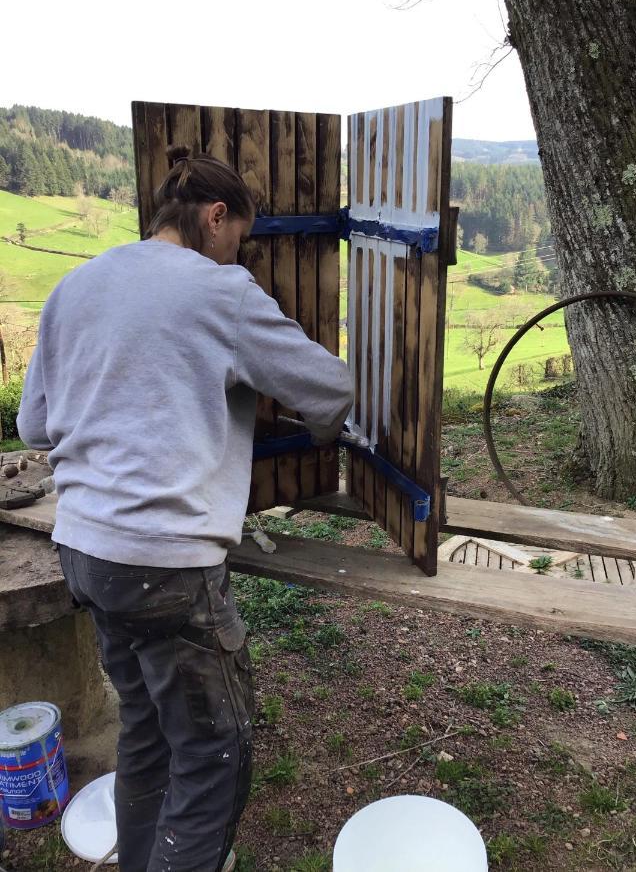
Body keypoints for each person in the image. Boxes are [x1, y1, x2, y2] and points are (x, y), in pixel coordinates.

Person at [17, 145, 353, 872]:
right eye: (240, 240)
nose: (242, 258)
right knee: (212, 754)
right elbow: (327, 390)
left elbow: (35, 427)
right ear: (215, 215)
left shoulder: (76, 285)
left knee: (147, 732)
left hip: (84, 552)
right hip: (164, 565)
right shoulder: (219, 291)